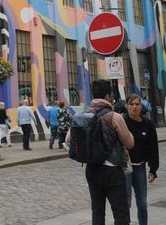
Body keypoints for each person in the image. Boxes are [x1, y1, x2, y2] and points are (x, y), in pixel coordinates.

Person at [67, 79, 134, 225]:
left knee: (97, 211)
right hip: (112, 170)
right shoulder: (114, 117)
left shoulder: (82, 116)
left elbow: (68, 140)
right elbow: (129, 143)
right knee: (121, 212)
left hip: (92, 170)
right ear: (108, 97)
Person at [123, 94, 159, 225]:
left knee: (142, 203)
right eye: (131, 104)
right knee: (125, 202)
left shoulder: (147, 124)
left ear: (141, 106)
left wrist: (153, 169)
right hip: (125, 167)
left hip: (139, 166)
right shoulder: (122, 121)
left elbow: (153, 147)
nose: (134, 107)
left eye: (137, 104)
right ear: (127, 106)